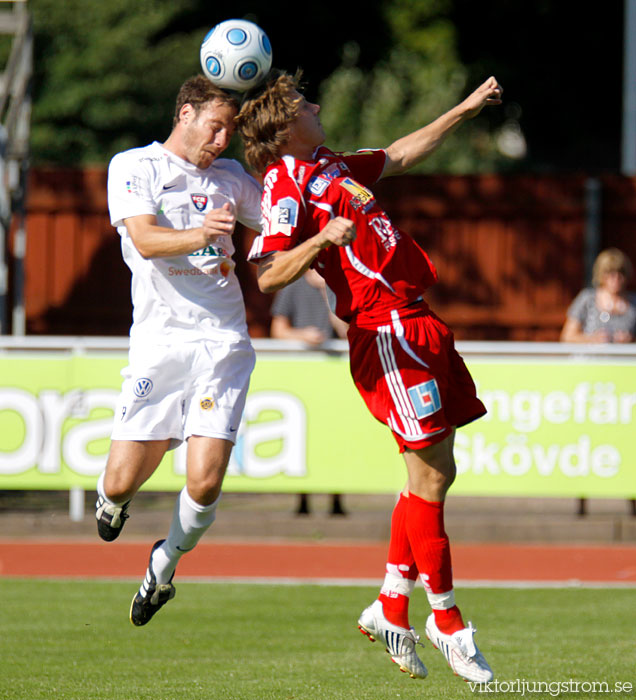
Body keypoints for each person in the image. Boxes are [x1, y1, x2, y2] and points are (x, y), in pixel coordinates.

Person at [236, 70, 502, 684]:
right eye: (306, 103)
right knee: (430, 476)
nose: (319, 105)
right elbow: (269, 275)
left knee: (434, 473)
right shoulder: (284, 182)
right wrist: (322, 238)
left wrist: (462, 109)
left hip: (416, 323)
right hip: (386, 335)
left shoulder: (330, 163)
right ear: (283, 126)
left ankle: (389, 603)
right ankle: (447, 620)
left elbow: (402, 153)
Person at [96, 75, 262, 627]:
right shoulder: (134, 166)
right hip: (160, 341)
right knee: (120, 480)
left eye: (230, 132)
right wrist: (204, 234)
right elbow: (143, 239)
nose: (222, 140)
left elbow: (278, 231)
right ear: (185, 114)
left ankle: (163, 564)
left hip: (222, 341)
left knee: (206, 479)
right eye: (215, 126)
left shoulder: (233, 178)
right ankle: (115, 499)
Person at [270, 268, 348, 516]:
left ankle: (337, 499)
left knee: (335, 438)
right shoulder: (292, 287)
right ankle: (302, 499)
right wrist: (302, 336)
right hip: (303, 376)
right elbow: (278, 330)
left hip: (334, 376)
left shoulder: (340, 289)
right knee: (302, 437)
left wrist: (328, 293)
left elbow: (348, 332)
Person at [560, 248, 636, 343]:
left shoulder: (633, 302)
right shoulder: (587, 299)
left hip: (623, 357)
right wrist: (591, 339)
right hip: (590, 357)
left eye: (621, 273)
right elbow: (567, 336)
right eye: (611, 274)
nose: (616, 278)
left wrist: (631, 339)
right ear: (601, 274)